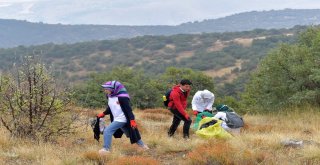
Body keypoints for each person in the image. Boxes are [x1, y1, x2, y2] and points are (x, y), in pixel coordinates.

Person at [97, 80, 149, 155]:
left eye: (107, 89)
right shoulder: (109, 96)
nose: (105, 90)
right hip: (117, 118)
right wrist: (104, 113)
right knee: (130, 133)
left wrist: (132, 120)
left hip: (122, 119)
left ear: (113, 89)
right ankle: (144, 146)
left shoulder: (123, 98)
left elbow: (129, 110)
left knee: (107, 131)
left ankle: (106, 149)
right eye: (105, 89)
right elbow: (111, 107)